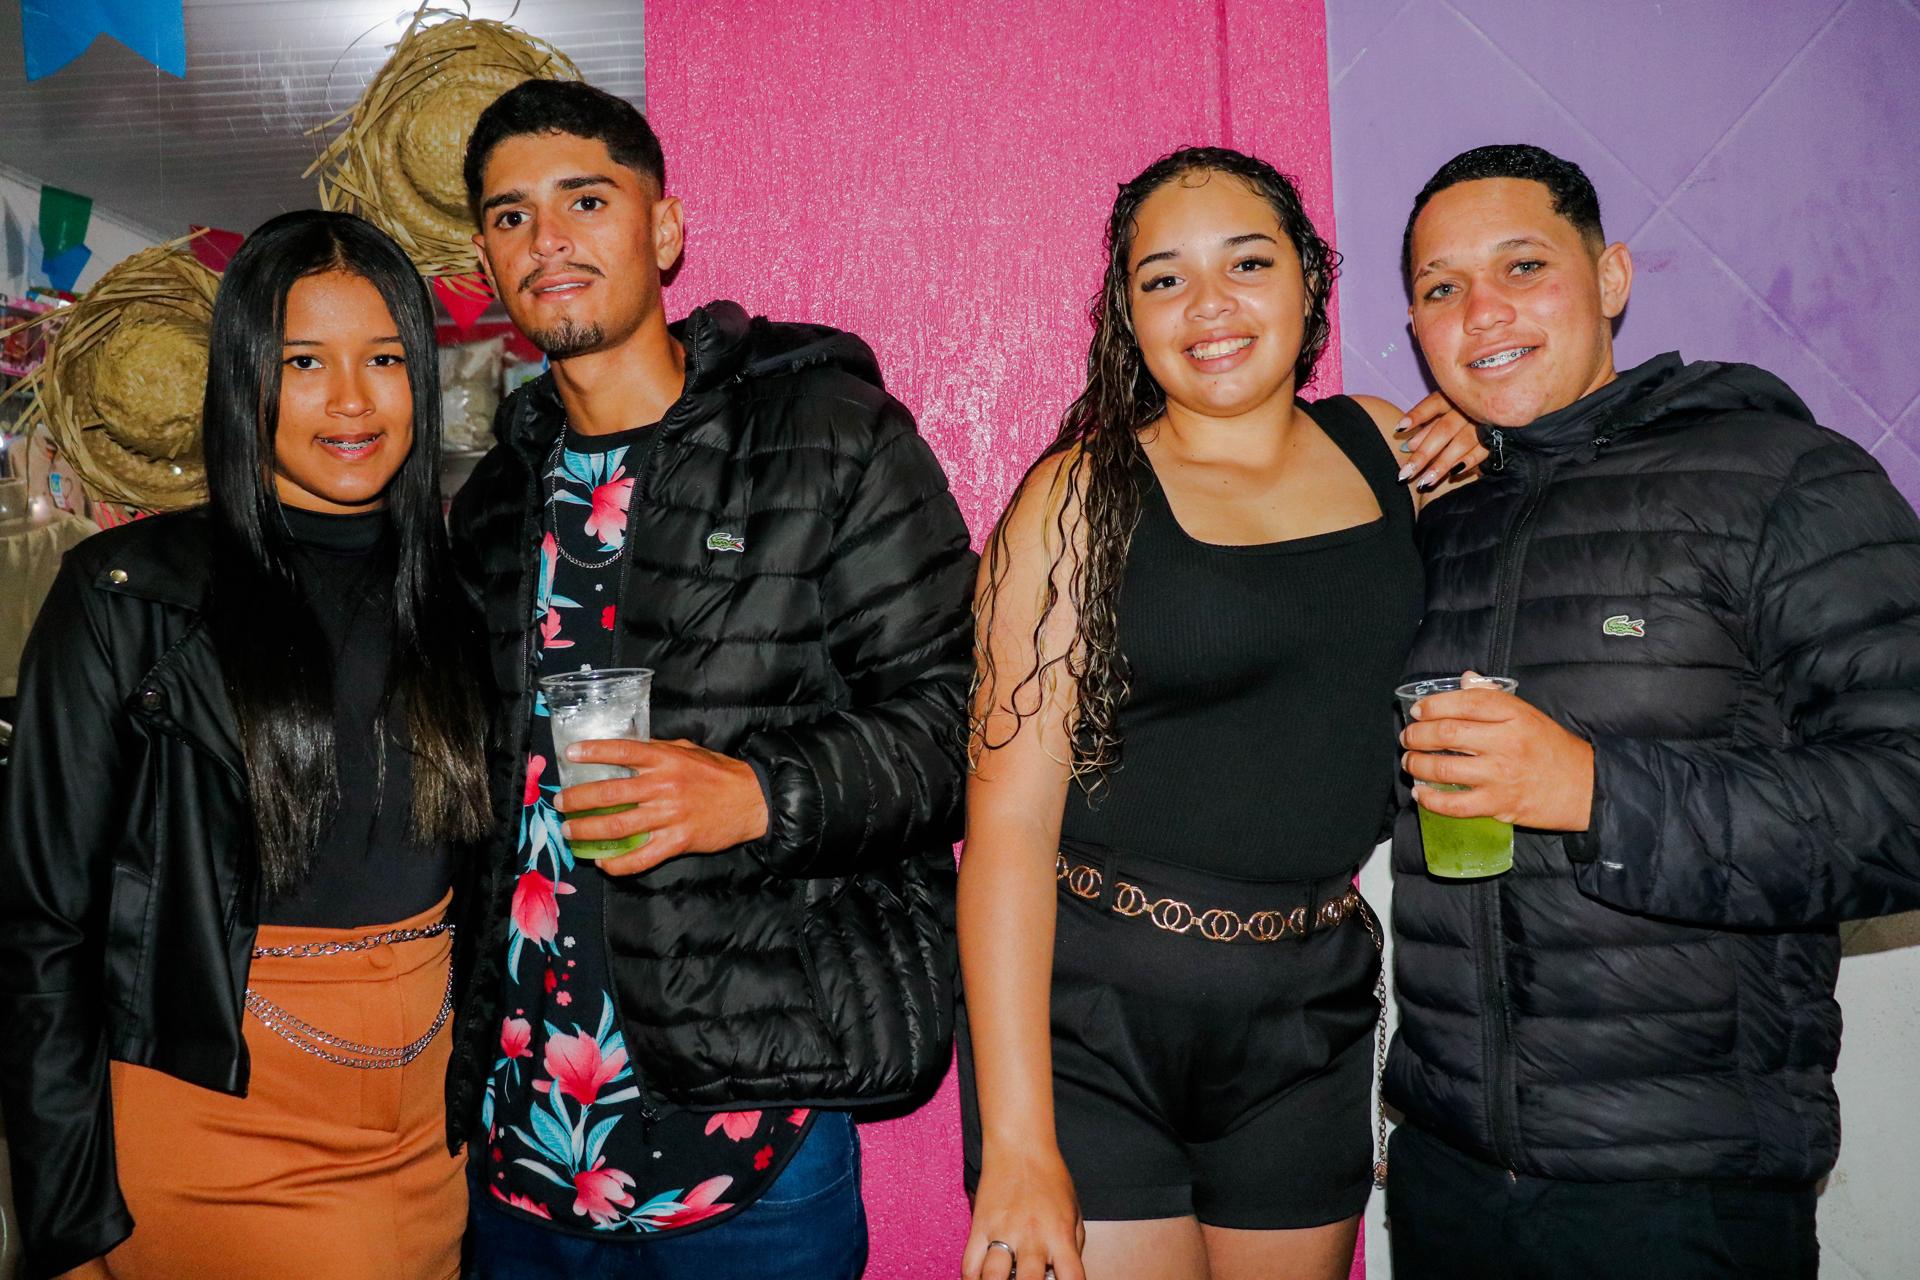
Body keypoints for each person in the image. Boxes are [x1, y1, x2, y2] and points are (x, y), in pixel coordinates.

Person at [446, 79, 973, 1280]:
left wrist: (757, 794)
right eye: (512, 216)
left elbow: (961, 723)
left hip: (749, 1146)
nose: (547, 239)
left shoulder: (828, 435)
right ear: (486, 260)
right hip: (522, 1157)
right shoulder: (490, 503)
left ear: (665, 228)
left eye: (586, 200)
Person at [1386, 143, 1920, 1280]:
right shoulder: (1443, 521)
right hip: (1447, 1177)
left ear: (1611, 276)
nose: (1483, 311)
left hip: (1681, 1197)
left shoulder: (1785, 479)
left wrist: (1595, 790)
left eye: (1523, 266)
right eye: (1441, 288)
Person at [959, 146, 1488, 1280]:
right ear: (1128, 312)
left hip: (1310, 1010)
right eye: (1164, 278)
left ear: (1309, 278)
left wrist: (1487, 434)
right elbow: (1006, 829)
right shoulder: (1078, 496)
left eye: (1247, 262)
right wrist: (1017, 1144)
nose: (1209, 305)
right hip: (1094, 1023)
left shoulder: (1386, 446)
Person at [0, 210, 492, 1280]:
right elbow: (41, 921)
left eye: (385, 359)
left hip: (431, 1121)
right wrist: (66, 1219)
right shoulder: (128, 599)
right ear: (243, 378)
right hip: (220, 1112)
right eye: (305, 362)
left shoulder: (463, 598)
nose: (352, 399)